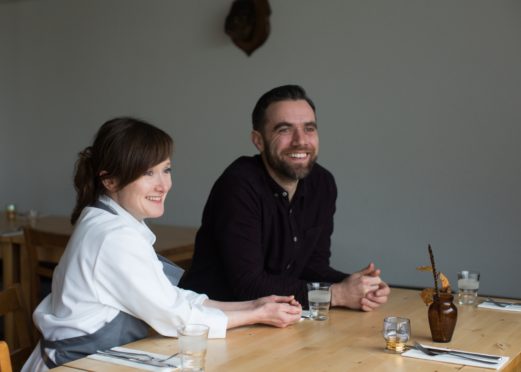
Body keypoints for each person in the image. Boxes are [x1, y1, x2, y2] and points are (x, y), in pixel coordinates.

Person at [22, 117, 302, 372]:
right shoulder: (113, 237)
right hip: (75, 367)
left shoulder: (110, 220)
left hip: (94, 360)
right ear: (109, 180)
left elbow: (172, 299)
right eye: (147, 173)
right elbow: (178, 319)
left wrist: (251, 305)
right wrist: (257, 314)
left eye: (165, 170)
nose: (163, 184)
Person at [179, 85, 390, 311]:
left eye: (309, 128)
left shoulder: (322, 183)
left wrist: (359, 287)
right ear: (258, 141)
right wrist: (335, 294)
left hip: (278, 319)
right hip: (213, 321)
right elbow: (248, 285)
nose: (300, 141)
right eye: (284, 130)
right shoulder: (238, 184)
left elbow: (312, 267)